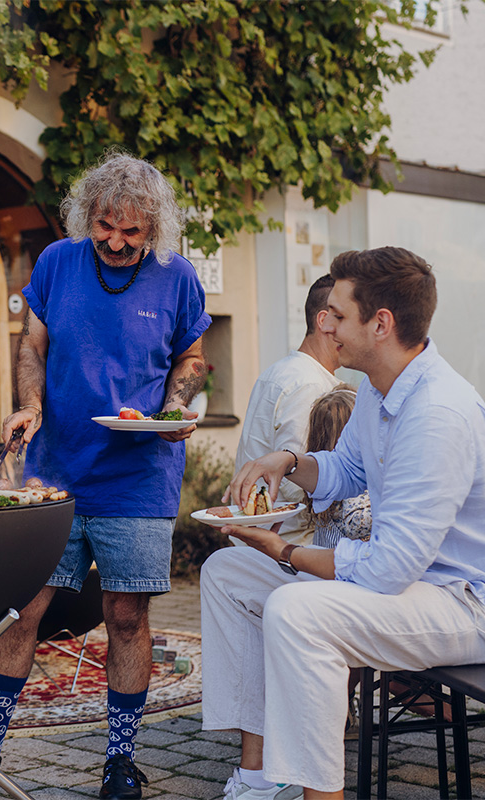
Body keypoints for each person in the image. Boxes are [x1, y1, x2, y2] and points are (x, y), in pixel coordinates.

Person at [0, 150, 211, 799]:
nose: (117, 240)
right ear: (86, 216)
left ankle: (120, 760)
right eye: (106, 225)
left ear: (153, 228)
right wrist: (30, 405)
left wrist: (177, 402)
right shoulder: (56, 263)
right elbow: (31, 344)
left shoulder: (177, 276)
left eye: (132, 230)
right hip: (57, 472)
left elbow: (192, 356)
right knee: (21, 608)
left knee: (126, 617)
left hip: (140, 476)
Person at [200, 246, 485, 800]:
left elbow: (386, 570)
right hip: (412, 585)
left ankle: (316, 792)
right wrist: (287, 460)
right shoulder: (380, 392)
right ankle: (261, 775)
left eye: (337, 313)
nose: (323, 323)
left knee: (299, 610)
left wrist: (283, 553)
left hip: (463, 599)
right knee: (228, 571)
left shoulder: (437, 413)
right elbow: (344, 469)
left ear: (380, 324)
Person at [232, 275, 341, 546]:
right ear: (324, 320)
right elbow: (294, 481)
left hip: (264, 539)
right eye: (350, 319)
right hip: (289, 547)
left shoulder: (282, 370)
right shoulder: (310, 385)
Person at [303, 385, 370, 550]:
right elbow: (355, 522)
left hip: (323, 566)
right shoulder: (348, 482)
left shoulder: (320, 478)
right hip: (338, 571)